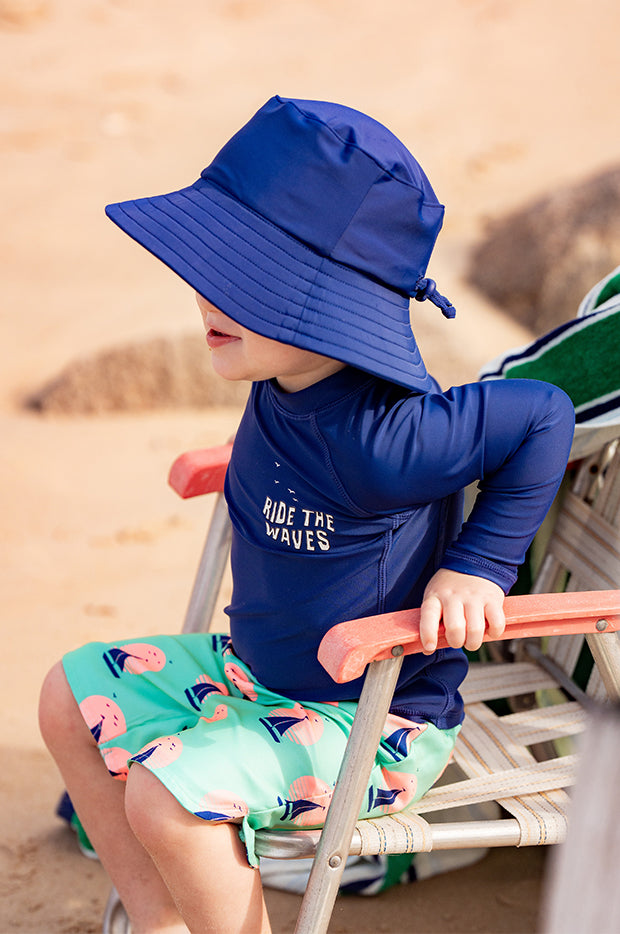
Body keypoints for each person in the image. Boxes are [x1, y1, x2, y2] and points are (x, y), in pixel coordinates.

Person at [39, 96, 575, 934]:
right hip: (255, 678)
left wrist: (478, 564)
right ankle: (159, 921)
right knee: (66, 698)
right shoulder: (281, 380)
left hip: (372, 722)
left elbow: (543, 415)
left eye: (245, 281)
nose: (205, 298)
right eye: (209, 270)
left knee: (166, 796)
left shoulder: (388, 440)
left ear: (330, 311)